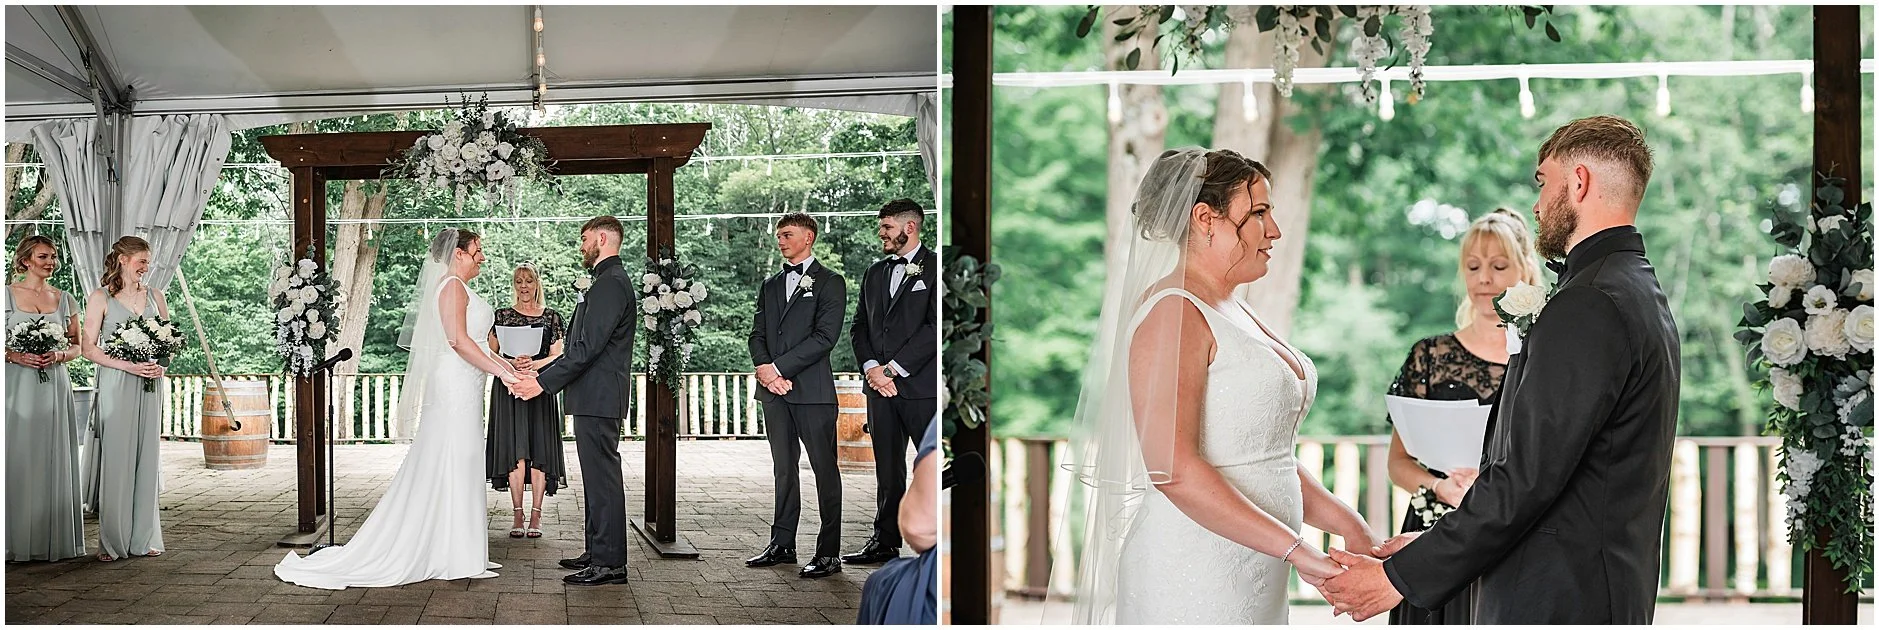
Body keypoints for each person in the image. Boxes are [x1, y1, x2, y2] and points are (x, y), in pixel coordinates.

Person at [1317, 115, 1681, 624]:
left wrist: (1395, 579)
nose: (1537, 205)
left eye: (1543, 182)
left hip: (1559, 600)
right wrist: (1430, 544)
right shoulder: (1637, 288)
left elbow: (1526, 479)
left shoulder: (1589, 302)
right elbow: (1566, 479)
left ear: (1578, 182)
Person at [1064, 148, 1374, 624]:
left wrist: (1348, 524)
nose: (1275, 230)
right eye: (1259, 213)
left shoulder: (1234, 307)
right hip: (1194, 570)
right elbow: (1173, 469)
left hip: (1260, 567)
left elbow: (1262, 456)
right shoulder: (1173, 311)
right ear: (1206, 219)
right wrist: (1300, 551)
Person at [275, 229, 525, 589]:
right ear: (458, 254)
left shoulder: (459, 287)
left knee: (464, 460)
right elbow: (457, 341)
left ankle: (461, 550)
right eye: (477, 251)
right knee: (453, 458)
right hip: (454, 386)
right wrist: (502, 374)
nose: (482, 258)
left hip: (467, 385)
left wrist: (511, 368)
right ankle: (449, 553)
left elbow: (480, 345)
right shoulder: (451, 287)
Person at [1380, 209, 1542, 625]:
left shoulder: (1542, 358)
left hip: (1512, 538)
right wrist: (1442, 488)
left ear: (1525, 269)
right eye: (1473, 267)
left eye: (1498, 266)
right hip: (1432, 534)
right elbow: (1397, 463)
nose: (1484, 278)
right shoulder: (1428, 356)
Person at [509, 216, 637, 587]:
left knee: (603, 480)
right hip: (592, 396)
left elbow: (587, 348)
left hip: (600, 396)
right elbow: (580, 348)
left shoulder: (611, 283)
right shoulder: (605, 281)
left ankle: (610, 563)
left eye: (584, 238)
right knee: (596, 479)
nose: (581, 245)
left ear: (602, 238)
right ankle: (596, 551)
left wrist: (542, 384)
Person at [745, 212, 849, 579]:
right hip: (774, 393)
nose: (781, 240)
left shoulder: (831, 282)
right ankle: (782, 544)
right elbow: (757, 333)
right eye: (778, 235)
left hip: (813, 393)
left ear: (808, 237)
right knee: (783, 469)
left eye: (787, 234)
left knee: (824, 470)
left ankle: (829, 553)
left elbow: (825, 338)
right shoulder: (771, 284)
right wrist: (764, 369)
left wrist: (778, 369)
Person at [844, 198, 939, 566]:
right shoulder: (874, 273)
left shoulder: (936, 268)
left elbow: (934, 327)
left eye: (886, 227)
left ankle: (936, 544)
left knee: (931, 464)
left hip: (920, 388)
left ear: (909, 227)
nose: (880, 233)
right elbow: (859, 327)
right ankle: (884, 542)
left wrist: (893, 369)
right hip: (878, 389)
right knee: (887, 468)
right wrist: (872, 368)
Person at [79, 236, 171, 562]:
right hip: (117, 382)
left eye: (148, 261)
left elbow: (167, 341)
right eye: (141, 261)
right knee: (117, 460)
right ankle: (112, 542)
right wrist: (127, 366)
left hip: (150, 385)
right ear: (122, 259)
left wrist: (161, 365)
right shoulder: (100, 297)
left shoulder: (156, 296)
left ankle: (144, 537)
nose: (146, 267)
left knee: (147, 458)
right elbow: (87, 347)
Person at [5, 235, 87, 562]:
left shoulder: (65, 299)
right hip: (16, 385)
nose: (51, 262)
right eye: (43, 256)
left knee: (53, 454)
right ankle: (14, 539)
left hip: (54, 383)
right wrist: (13, 355)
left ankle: (50, 537)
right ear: (25, 260)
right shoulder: (6, 295)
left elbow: (78, 346)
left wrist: (59, 355)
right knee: (19, 453)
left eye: (53, 256)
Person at [486, 263, 567, 540]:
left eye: (529, 280)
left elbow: (559, 355)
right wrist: (511, 363)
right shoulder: (501, 316)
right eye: (519, 281)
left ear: (537, 284)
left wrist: (534, 364)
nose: (524, 286)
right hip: (509, 389)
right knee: (515, 451)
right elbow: (489, 353)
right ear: (514, 285)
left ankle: (536, 514)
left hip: (540, 387)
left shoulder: (552, 317)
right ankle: (518, 513)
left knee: (540, 450)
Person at [856, 414, 940, 624]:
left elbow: (918, 527)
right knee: (886, 470)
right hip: (879, 398)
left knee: (880, 583)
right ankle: (884, 540)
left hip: (921, 397)